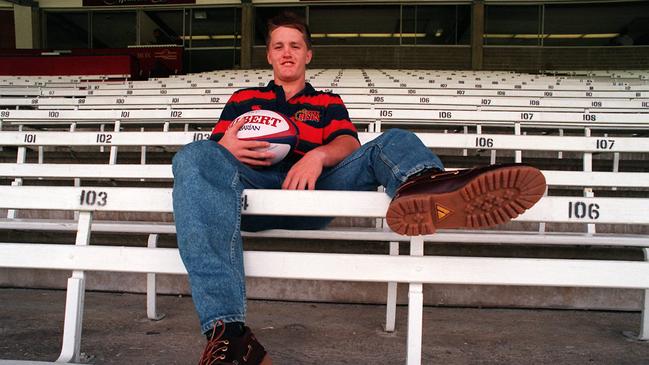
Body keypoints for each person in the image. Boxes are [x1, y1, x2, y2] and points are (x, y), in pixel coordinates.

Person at [171, 12, 546, 365]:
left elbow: (348, 145)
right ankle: (232, 338)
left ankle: (424, 188)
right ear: (269, 54)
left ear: (308, 55)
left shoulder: (327, 101)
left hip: (316, 191)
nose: (287, 52)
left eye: (295, 46)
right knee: (193, 156)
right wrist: (225, 147)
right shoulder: (244, 99)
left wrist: (317, 156)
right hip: (248, 191)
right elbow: (211, 158)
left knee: (391, 140)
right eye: (279, 45)